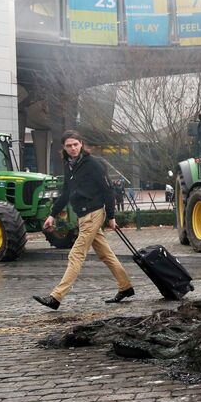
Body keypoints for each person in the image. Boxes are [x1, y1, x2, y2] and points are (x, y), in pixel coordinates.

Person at [33, 130, 134, 310]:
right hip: (83, 216)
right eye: (69, 146)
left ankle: (55, 297)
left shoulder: (93, 164)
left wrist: (111, 216)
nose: (73, 148)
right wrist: (51, 215)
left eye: (75, 144)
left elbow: (107, 190)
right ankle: (125, 287)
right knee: (105, 254)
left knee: (76, 254)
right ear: (63, 148)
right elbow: (66, 194)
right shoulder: (69, 165)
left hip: (93, 214)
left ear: (81, 144)